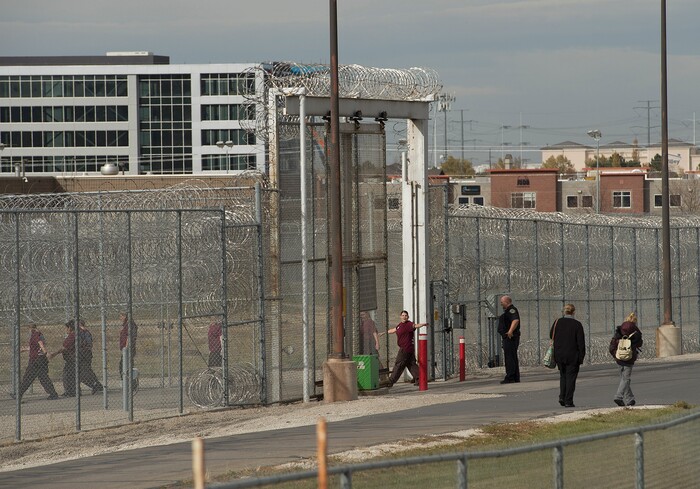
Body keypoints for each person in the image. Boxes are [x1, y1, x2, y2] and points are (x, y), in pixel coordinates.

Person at [549, 304, 586, 408]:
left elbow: (551, 334)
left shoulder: (557, 322)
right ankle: (568, 401)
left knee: (563, 376)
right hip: (572, 355)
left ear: (564, 312)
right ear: (574, 312)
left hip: (559, 354)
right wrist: (581, 357)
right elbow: (581, 342)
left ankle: (562, 396)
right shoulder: (577, 325)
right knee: (571, 378)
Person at [380, 310, 428, 386]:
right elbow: (393, 330)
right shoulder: (400, 325)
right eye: (403, 315)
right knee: (411, 364)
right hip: (409, 349)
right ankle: (419, 378)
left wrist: (422, 324)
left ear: (408, 317)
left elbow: (415, 326)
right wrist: (384, 333)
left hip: (405, 348)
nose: (404, 317)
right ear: (400, 316)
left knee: (399, 364)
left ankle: (391, 381)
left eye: (406, 315)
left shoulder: (409, 324)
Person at [14, 324, 59, 400]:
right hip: (41, 359)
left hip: (36, 360)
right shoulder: (40, 334)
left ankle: (19, 394)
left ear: (31, 329)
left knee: (28, 377)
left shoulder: (35, 334)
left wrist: (46, 352)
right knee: (43, 377)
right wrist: (24, 349)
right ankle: (53, 394)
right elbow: (36, 347)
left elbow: (40, 343)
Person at [609, 312, 643, 407]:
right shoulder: (636, 332)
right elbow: (639, 343)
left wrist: (615, 354)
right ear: (635, 321)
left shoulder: (619, 330)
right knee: (626, 379)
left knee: (623, 379)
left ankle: (630, 398)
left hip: (619, 357)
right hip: (629, 358)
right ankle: (618, 397)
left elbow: (612, 344)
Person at [497, 295, 521, 384]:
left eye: (502, 302)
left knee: (510, 358)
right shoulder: (507, 311)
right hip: (508, 337)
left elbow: (515, 320)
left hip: (510, 337)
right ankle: (515, 377)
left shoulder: (512, 310)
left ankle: (510, 377)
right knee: (512, 357)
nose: (501, 304)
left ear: (507, 302)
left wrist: (510, 331)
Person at [77, 320, 103, 394]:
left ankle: (96, 385)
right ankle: (97, 385)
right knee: (85, 372)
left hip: (85, 355)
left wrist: (82, 345)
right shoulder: (78, 332)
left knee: (86, 372)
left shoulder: (85, 332)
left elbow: (89, 344)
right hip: (81, 354)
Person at [118, 312, 138, 380]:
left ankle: (130, 382)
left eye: (121, 316)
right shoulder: (125, 325)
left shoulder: (130, 325)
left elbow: (130, 337)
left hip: (128, 349)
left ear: (125, 316)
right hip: (125, 349)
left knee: (126, 365)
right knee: (123, 365)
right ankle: (126, 381)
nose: (120, 318)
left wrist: (126, 347)